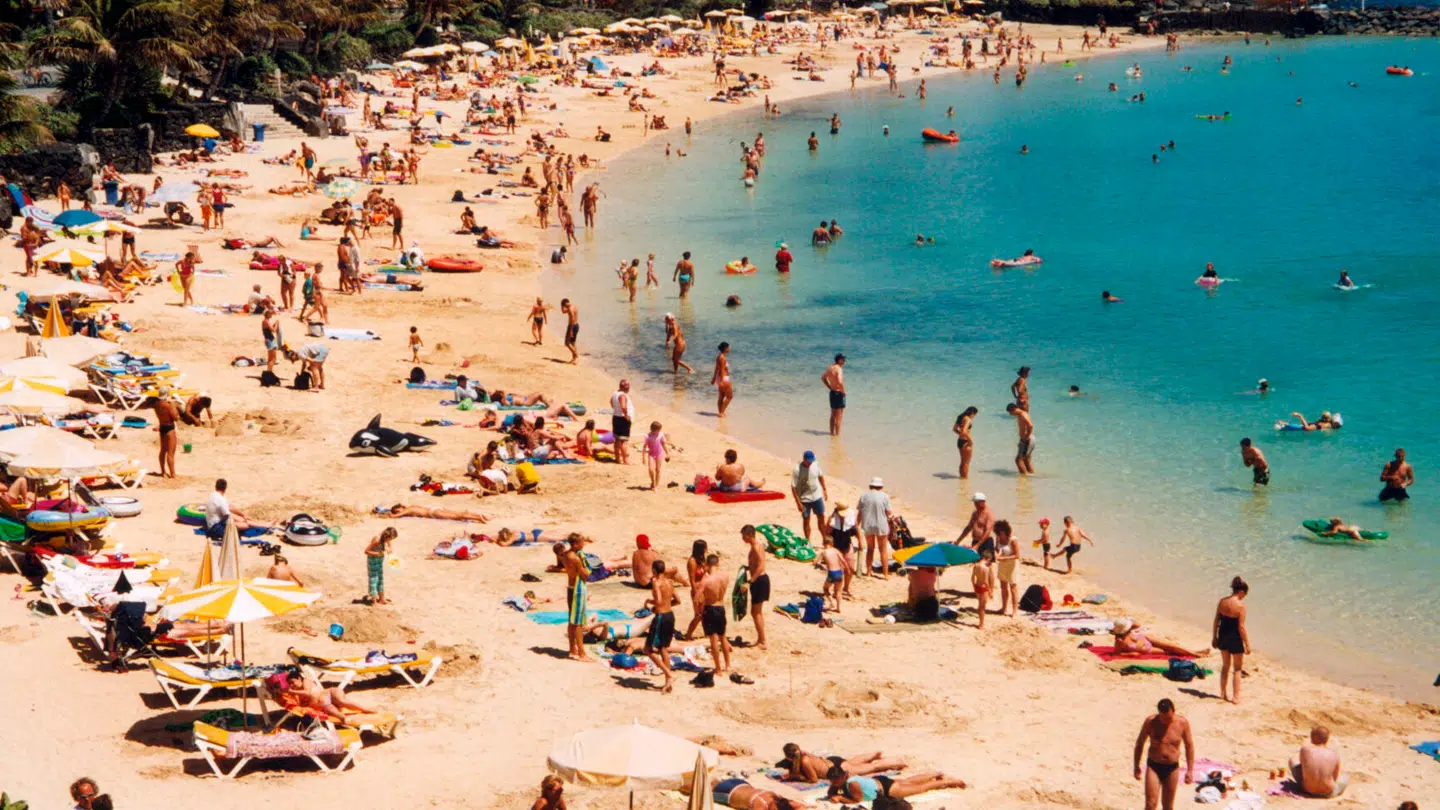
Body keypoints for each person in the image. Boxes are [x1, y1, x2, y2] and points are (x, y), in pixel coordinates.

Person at [1133, 698, 1195, 810]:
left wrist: (1190, 770)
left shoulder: (1182, 723)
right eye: (1163, 718)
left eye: (1168, 718)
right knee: (1151, 804)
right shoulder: (1151, 722)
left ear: (1173, 712)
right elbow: (1140, 743)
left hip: (1172, 768)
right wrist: (1136, 765)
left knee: (1168, 806)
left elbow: (1189, 746)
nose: (1166, 721)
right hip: (1154, 766)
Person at [644, 559, 680, 693]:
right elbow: (678, 600)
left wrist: (649, 602)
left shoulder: (656, 582)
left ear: (654, 571)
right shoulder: (670, 582)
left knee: (647, 649)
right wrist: (666, 605)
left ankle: (669, 674)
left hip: (660, 618)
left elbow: (658, 600)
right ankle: (668, 683)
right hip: (670, 615)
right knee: (663, 649)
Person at [1212, 576, 1250, 704]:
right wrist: (1247, 644)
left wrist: (1214, 637)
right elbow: (1241, 627)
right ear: (1241, 592)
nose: (1244, 597)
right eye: (1245, 595)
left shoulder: (1222, 602)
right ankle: (1236, 697)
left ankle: (1223, 693)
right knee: (1237, 668)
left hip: (1223, 634)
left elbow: (1216, 620)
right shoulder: (1241, 606)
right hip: (1235, 637)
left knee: (1225, 666)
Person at [826, 769, 967, 803]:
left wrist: (841, 798)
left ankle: (948, 782)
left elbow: (858, 799)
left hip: (888, 789)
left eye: (834, 780)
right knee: (909, 781)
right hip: (881, 782)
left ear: (842, 777)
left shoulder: (852, 784)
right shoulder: (849, 777)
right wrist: (834, 792)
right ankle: (935, 773)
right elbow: (831, 790)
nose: (833, 783)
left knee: (921, 788)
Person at [781, 745, 906, 783]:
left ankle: (897, 763)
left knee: (872, 767)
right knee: (852, 762)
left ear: (788, 756)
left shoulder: (804, 761)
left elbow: (813, 779)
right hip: (833, 761)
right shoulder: (804, 754)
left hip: (836, 769)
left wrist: (798, 777)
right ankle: (873, 755)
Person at [698, 553, 732, 676]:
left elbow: (697, 597)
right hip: (721, 607)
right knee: (723, 637)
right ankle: (728, 665)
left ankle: (718, 668)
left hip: (710, 608)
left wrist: (699, 610)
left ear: (707, 565)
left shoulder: (706, 580)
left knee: (713, 640)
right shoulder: (725, 576)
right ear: (718, 564)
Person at [1290, 726, 1348, 798]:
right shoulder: (1334, 753)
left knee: (1292, 761)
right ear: (1327, 739)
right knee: (1345, 777)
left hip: (1307, 789)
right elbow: (1335, 778)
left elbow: (1302, 768)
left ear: (1312, 738)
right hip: (1328, 792)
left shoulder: (1305, 749)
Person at [563, 534, 595, 661]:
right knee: (578, 623)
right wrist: (589, 565)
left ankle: (572, 649)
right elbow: (585, 574)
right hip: (577, 590)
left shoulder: (566, 555)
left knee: (572, 621)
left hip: (570, 588)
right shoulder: (576, 558)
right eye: (581, 542)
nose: (583, 544)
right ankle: (582, 653)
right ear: (575, 544)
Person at [739, 524, 770, 650]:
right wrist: (748, 568)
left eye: (743, 536)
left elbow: (761, 566)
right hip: (759, 580)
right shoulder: (756, 546)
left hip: (759, 581)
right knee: (756, 612)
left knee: (756, 612)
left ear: (749, 535)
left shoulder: (757, 547)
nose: (742, 538)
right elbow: (756, 564)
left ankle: (762, 641)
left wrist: (750, 582)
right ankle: (761, 639)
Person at [1113, 618, 1209, 658]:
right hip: (1147, 649)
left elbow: (1137, 625)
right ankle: (1195, 653)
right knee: (1169, 652)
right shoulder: (1119, 640)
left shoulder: (1129, 629)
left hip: (1147, 638)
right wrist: (1129, 654)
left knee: (1171, 645)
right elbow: (1117, 653)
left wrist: (1128, 622)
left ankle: (1195, 653)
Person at [857, 477, 893, 580]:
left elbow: (860, 513)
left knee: (870, 549)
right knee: (883, 550)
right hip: (881, 525)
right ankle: (885, 574)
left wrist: (856, 525)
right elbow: (889, 512)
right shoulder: (885, 496)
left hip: (867, 525)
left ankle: (868, 572)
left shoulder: (864, 495)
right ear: (881, 486)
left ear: (870, 485)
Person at [791, 450, 828, 542]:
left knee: (821, 517)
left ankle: (824, 539)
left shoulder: (815, 464)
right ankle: (808, 541)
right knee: (806, 520)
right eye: (809, 461)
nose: (810, 463)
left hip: (817, 496)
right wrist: (798, 503)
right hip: (804, 498)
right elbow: (793, 487)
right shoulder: (797, 470)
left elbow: (820, 476)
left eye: (812, 461)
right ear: (804, 459)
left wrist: (824, 489)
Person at [827, 501, 859, 599]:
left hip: (847, 545)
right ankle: (836, 590)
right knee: (839, 571)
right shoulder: (832, 520)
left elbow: (856, 530)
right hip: (836, 547)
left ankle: (846, 588)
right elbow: (826, 532)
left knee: (851, 568)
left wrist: (860, 542)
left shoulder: (851, 518)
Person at [148, 395, 180, 478]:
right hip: (169, 428)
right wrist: (174, 407)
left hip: (162, 428)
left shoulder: (156, 407)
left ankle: (163, 472)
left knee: (163, 451)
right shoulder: (167, 405)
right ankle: (173, 474)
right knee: (171, 453)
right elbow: (175, 418)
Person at [993, 520, 1020, 617]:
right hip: (1002, 565)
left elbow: (1017, 555)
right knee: (1003, 587)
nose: (999, 535)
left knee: (1013, 588)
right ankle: (1004, 608)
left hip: (1012, 565)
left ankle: (1014, 611)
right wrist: (996, 554)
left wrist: (1003, 558)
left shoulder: (1013, 540)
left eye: (1000, 533)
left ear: (1004, 532)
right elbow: (997, 549)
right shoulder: (998, 538)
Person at [364, 527, 396, 605]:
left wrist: (390, 550)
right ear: (386, 537)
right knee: (374, 580)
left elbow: (389, 545)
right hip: (373, 562)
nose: (390, 541)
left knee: (380, 579)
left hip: (379, 561)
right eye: (390, 539)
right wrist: (378, 553)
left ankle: (382, 599)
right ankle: (374, 601)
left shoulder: (385, 537)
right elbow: (366, 551)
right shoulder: (377, 540)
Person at [641, 421, 674, 491]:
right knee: (651, 469)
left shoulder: (661, 434)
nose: (659, 431)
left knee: (658, 470)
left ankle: (656, 485)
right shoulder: (647, 436)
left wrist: (667, 453)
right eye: (658, 430)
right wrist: (643, 458)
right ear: (653, 429)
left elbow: (663, 444)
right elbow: (644, 447)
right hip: (651, 454)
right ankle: (653, 481)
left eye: (659, 430)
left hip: (659, 454)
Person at [1007, 402, 1035, 475]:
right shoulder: (1022, 414)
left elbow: (1031, 426)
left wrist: (1026, 437)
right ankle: (1031, 475)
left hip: (1027, 439)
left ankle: (1024, 477)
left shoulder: (1022, 415)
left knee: (1018, 460)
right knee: (1026, 460)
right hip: (1028, 439)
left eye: (1010, 413)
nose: (1010, 414)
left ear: (1013, 410)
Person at [821, 353, 846, 436]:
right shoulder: (839, 369)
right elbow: (840, 381)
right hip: (838, 393)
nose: (844, 361)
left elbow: (823, 378)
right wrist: (843, 391)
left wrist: (829, 387)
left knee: (833, 414)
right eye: (843, 360)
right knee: (839, 416)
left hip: (832, 392)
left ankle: (832, 434)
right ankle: (837, 436)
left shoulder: (830, 368)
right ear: (840, 360)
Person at [971, 547, 996, 629]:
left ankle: (981, 623)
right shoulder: (985, 568)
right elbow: (985, 581)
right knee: (982, 607)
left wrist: (974, 586)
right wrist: (990, 591)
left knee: (980, 605)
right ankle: (981, 624)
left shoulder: (976, 566)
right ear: (988, 558)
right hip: (983, 588)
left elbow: (972, 578)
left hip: (977, 586)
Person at [611, 379, 634, 465]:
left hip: (616, 417)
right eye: (628, 387)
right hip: (622, 419)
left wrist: (616, 409)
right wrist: (626, 415)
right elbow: (623, 407)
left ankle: (617, 458)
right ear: (626, 387)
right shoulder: (622, 395)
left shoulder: (615, 393)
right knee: (624, 441)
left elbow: (611, 402)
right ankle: (625, 460)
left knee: (617, 439)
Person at [820, 533, 844, 613]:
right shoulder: (836, 550)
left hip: (832, 573)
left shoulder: (823, 552)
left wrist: (816, 564)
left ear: (824, 543)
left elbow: (815, 561)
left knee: (825, 588)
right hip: (839, 572)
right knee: (838, 591)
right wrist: (846, 569)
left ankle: (832, 602)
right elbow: (843, 561)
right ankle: (838, 608)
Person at [953, 406, 977, 478]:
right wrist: (970, 440)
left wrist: (960, 434)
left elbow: (954, 429)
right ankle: (965, 478)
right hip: (966, 442)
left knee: (962, 462)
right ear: (972, 413)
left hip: (960, 441)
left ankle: (961, 479)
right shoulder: (968, 419)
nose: (974, 417)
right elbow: (964, 431)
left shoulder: (960, 418)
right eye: (974, 415)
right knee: (966, 463)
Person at [711, 342, 734, 417]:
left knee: (722, 396)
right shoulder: (722, 358)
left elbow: (716, 368)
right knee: (730, 396)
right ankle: (721, 413)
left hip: (720, 378)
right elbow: (721, 370)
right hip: (724, 378)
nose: (729, 349)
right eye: (728, 347)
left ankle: (720, 412)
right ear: (725, 348)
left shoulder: (719, 356)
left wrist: (714, 378)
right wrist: (722, 381)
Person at [560, 298, 580, 363]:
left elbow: (572, 319)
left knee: (567, 343)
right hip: (576, 325)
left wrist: (571, 330)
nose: (564, 307)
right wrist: (561, 305)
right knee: (573, 342)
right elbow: (563, 312)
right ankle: (574, 359)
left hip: (572, 326)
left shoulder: (570, 309)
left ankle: (575, 354)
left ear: (565, 303)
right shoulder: (573, 307)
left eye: (564, 305)